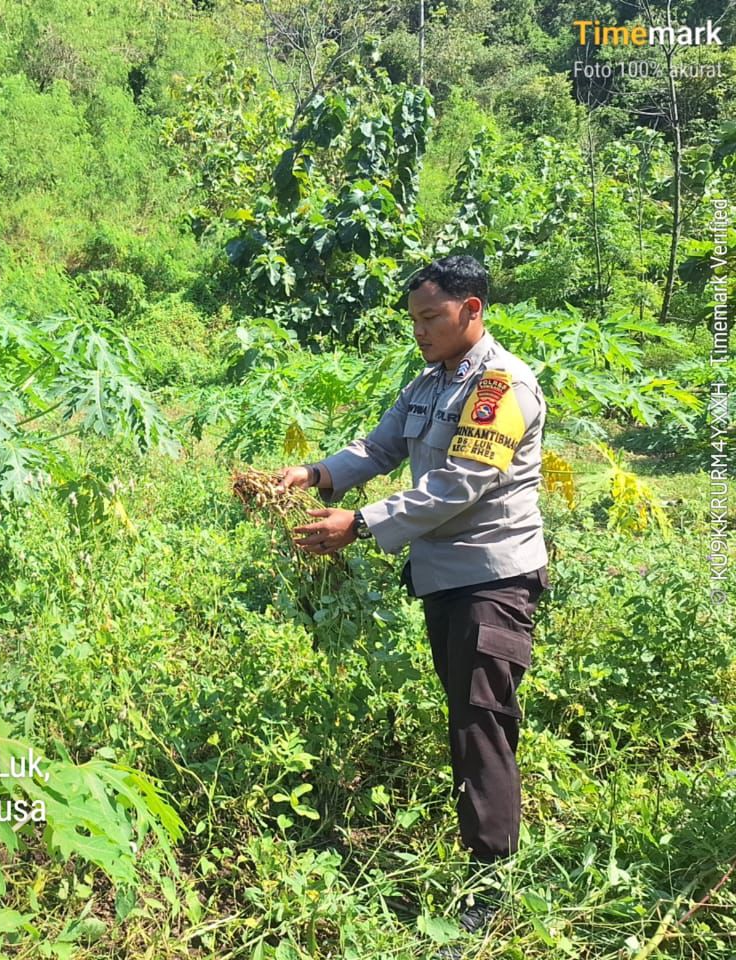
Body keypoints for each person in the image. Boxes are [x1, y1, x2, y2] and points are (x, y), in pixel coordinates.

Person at [275, 255, 548, 945]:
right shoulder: (431, 381)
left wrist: (362, 523)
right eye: (414, 320)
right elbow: (378, 448)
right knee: (467, 717)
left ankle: (491, 886)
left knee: (481, 725)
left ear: (472, 309)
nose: (420, 331)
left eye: (431, 317)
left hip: (491, 580)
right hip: (444, 578)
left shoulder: (499, 387)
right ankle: (486, 860)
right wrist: (313, 473)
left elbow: (460, 485)